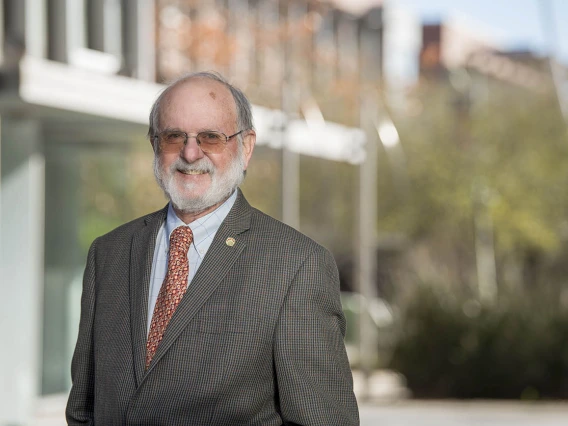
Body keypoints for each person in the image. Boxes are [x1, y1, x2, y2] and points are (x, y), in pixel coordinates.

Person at [66, 71, 359, 425]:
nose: (191, 153)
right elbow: (84, 409)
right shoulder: (108, 254)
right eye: (175, 136)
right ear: (155, 145)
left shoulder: (296, 266)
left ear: (246, 146)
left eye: (211, 137)